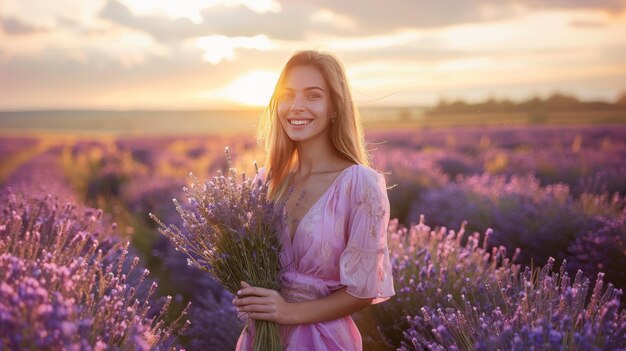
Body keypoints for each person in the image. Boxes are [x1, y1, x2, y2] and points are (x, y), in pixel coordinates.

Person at [233, 50, 395, 351]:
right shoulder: (266, 182)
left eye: (313, 96)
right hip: (262, 338)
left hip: (323, 341)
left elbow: (363, 290)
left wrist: (288, 312)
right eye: (288, 95)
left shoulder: (361, 184)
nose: (296, 107)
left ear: (335, 107)